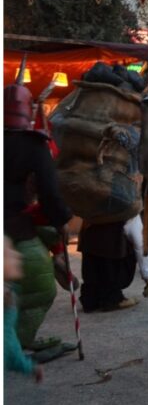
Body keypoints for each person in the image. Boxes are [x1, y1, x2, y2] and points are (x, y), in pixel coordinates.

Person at [4, 81, 72, 348]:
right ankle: (18, 342)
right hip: (14, 229)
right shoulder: (33, 145)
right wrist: (61, 219)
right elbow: (49, 191)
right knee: (40, 289)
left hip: (17, 223)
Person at [77, 219, 139, 313]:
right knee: (110, 254)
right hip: (112, 227)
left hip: (91, 224)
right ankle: (111, 298)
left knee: (93, 257)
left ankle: (91, 299)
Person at [4, 237, 43, 383]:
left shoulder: (9, 292)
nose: (18, 255)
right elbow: (7, 345)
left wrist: (27, 366)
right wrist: (27, 367)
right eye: (8, 253)